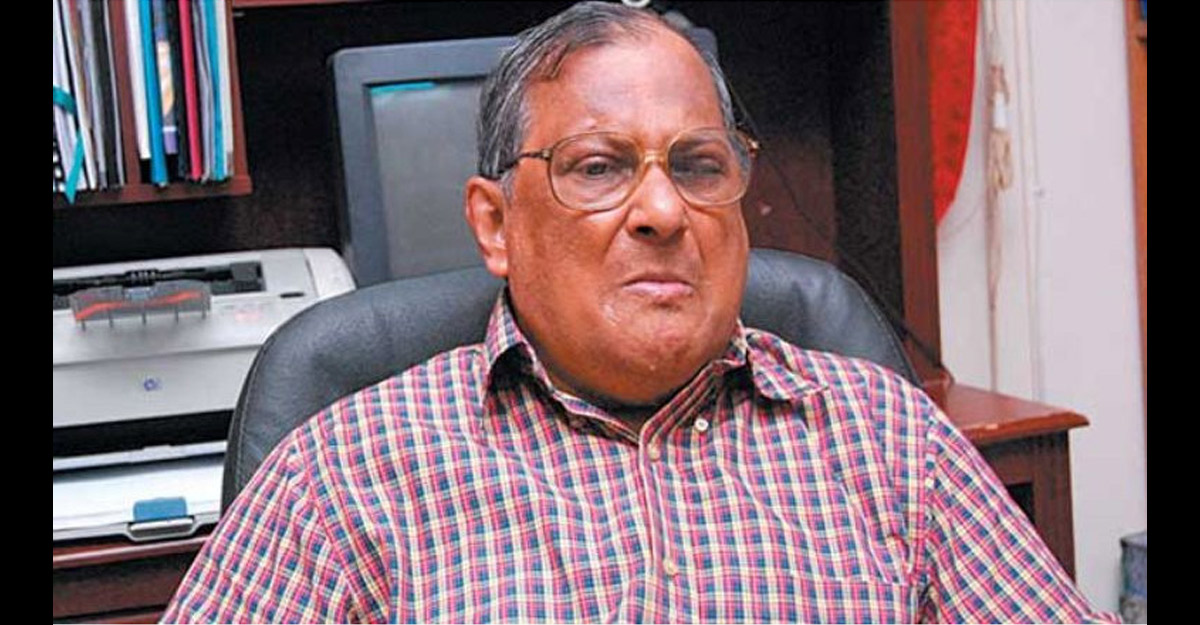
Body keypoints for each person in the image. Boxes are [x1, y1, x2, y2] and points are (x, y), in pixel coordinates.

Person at [162, 2, 1117, 622]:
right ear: (495, 224)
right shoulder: (346, 474)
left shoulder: (884, 436)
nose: (663, 210)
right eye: (598, 167)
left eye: (699, 166)